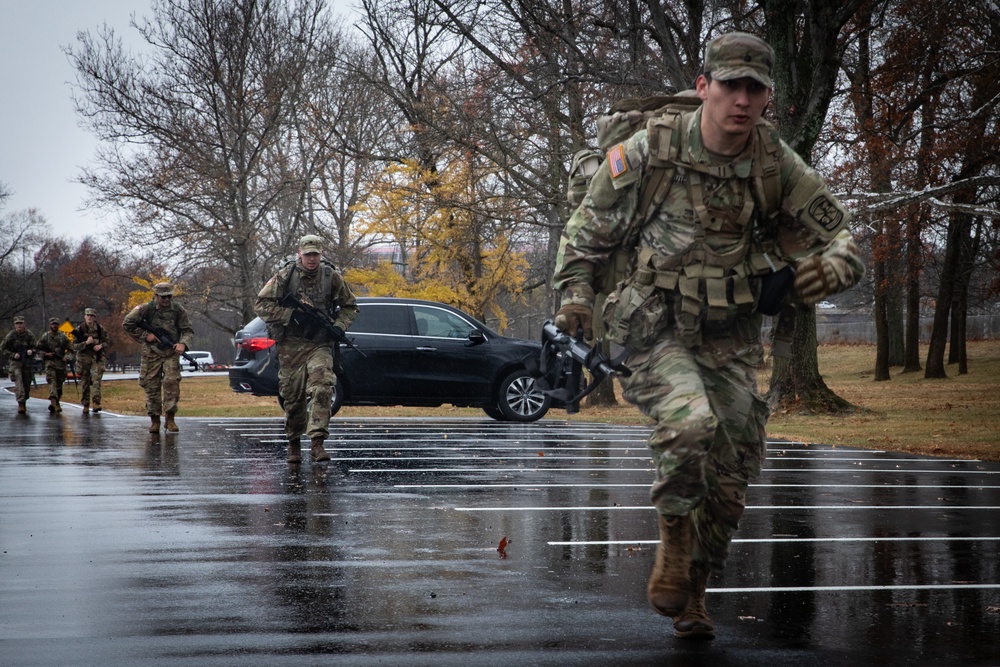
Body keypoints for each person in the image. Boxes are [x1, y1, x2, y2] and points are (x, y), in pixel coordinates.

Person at [551, 32, 865, 640]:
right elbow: (585, 231)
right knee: (691, 424)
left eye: (754, 89)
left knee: (733, 468)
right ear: (704, 88)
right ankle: (672, 535)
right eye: (729, 86)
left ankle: (695, 590)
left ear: (768, 96)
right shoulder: (652, 149)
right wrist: (575, 298)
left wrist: (833, 268)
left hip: (732, 332)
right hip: (652, 323)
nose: (740, 100)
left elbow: (842, 238)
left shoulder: (777, 163)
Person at [254, 234, 358, 464]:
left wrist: (339, 326)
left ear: (321, 255)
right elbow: (261, 304)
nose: (312, 259)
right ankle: (293, 444)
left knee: (322, 388)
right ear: (299, 254)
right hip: (290, 346)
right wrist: (291, 315)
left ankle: (317, 443)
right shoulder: (285, 276)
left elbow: (350, 306)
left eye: (316, 254)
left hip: (319, 344)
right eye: (308, 254)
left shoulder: (331, 277)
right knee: (293, 398)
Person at [123, 282, 195, 433]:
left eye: (169, 296)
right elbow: (127, 323)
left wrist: (183, 343)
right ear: (155, 296)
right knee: (151, 386)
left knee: (171, 384)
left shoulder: (177, 310)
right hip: (151, 353)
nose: (166, 300)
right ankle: (154, 420)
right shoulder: (145, 309)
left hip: (170, 353)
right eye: (163, 297)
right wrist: (145, 335)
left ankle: (170, 419)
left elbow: (187, 330)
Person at [73, 307, 111, 414]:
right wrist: (86, 343)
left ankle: (96, 403)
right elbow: (73, 346)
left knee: (96, 380)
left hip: (96, 358)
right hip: (83, 359)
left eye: (92, 316)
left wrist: (100, 346)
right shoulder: (79, 330)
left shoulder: (99, 329)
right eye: (88, 315)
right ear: (84, 316)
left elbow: (107, 341)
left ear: (94, 317)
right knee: (85, 382)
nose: (89, 318)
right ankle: (85, 404)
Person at [35, 317, 72, 413]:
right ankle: (53, 402)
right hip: (50, 363)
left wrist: (66, 357)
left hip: (61, 364)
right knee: (52, 382)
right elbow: (37, 348)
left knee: (59, 385)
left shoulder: (63, 337)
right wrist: (45, 354)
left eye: (56, 324)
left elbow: (71, 350)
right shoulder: (45, 336)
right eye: (53, 324)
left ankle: (57, 401)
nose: (54, 326)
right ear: (50, 325)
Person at [2, 315, 37, 414]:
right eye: (17, 323)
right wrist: (13, 354)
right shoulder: (11, 335)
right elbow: (3, 348)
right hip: (15, 362)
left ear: (24, 324)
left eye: (21, 323)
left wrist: (31, 351)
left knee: (26, 383)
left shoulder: (29, 334)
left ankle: (24, 399)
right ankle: (20, 403)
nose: (19, 325)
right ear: (14, 325)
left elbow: (36, 346)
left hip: (26, 362)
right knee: (19, 381)